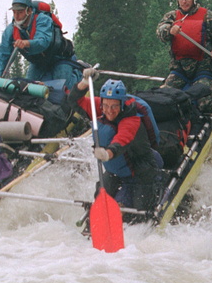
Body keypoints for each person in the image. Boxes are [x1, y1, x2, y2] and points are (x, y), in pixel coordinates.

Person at [70, 70, 163, 210]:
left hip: (141, 170)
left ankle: (160, 189)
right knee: (100, 201)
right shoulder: (100, 108)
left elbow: (122, 140)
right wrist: (84, 82)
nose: (109, 110)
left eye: (114, 106)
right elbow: (73, 100)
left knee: (137, 209)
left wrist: (107, 153)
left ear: (122, 104)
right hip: (117, 171)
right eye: (106, 105)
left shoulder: (132, 120)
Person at [156, 0, 212, 114]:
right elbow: (160, 31)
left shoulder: (208, 16)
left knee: (204, 103)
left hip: (203, 67)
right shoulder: (172, 16)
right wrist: (169, 30)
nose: (184, 2)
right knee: (163, 98)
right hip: (179, 68)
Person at [0, 0, 82, 90]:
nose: (16, 16)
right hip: (38, 62)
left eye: (20, 12)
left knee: (63, 89)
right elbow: (3, 54)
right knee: (28, 89)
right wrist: (0, 76)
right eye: (14, 12)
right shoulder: (10, 30)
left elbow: (43, 42)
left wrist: (26, 43)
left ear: (29, 10)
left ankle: (79, 74)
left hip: (60, 57)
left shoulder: (43, 19)